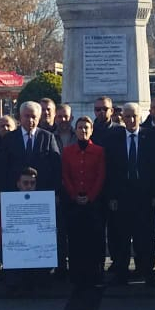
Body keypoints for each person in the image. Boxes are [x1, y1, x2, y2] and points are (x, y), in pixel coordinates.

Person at [59, 113, 107, 289]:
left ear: (91, 130)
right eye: (80, 127)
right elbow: (65, 175)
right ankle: (77, 274)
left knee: (94, 240)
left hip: (93, 202)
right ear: (76, 130)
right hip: (74, 202)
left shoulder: (99, 151)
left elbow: (101, 175)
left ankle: (95, 273)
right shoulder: (67, 151)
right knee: (76, 240)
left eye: (86, 127)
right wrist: (73, 195)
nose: (83, 130)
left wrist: (91, 197)